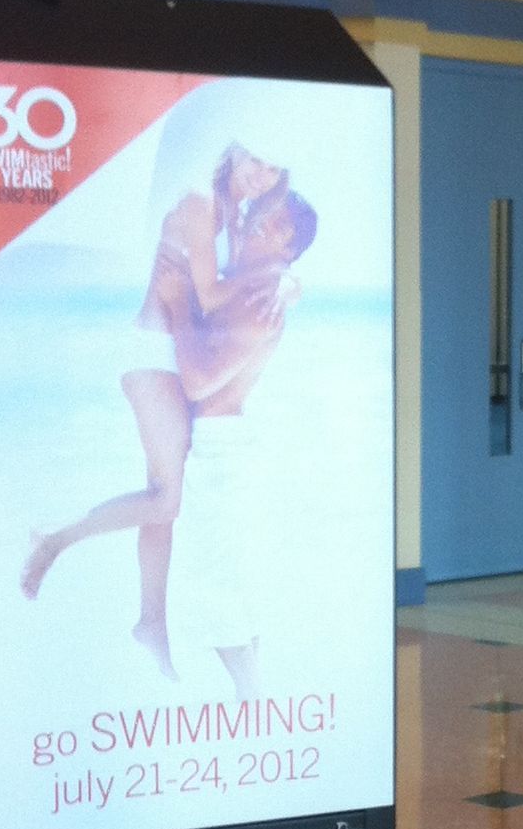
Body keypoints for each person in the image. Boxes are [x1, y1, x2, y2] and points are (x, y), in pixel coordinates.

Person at [21, 142, 289, 673]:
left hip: (176, 352)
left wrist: (284, 280)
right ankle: (58, 538)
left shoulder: (235, 217)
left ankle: (153, 624)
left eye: (273, 166)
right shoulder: (200, 202)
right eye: (256, 159)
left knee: (161, 499)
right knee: (166, 500)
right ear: (233, 153)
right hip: (153, 351)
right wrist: (276, 278)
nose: (261, 173)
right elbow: (211, 297)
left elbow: (222, 298)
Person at [160, 184, 317, 704]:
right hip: (222, 445)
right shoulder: (248, 282)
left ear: (288, 249)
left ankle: (256, 704)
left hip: (221, 447)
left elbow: (199, 383)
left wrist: (179, 309)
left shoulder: (257, 297)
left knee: (216, 589)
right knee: (226, 584)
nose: (262, 224)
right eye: (267, 213)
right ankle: (254, 707)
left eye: (280, 227)